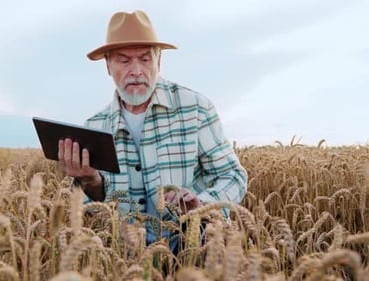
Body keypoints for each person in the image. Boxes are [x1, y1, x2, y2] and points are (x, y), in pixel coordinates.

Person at [57, 10, 247, 251]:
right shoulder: (95, 126)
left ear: (159, 61)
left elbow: (234, 177)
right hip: (126, 263)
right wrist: (91, 181)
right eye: (124, 60)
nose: (136, 70)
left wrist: (202, 205)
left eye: (145, 59)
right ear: (108, 66)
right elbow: (89, 211)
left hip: (193, 255)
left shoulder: (195, 108)